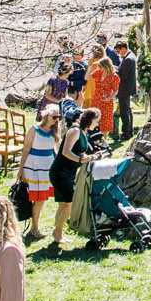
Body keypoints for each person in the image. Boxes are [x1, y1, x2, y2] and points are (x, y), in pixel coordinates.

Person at [49, 108, 91, 246]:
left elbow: (77, 151)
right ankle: (58, 233)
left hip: (68, 172)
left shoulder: (82, 132)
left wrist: (86, 157)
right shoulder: (74, 130)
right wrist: (80, 160)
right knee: (68, 203)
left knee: (64, 204)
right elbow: (66, 152)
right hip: (61, 172)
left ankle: (57, 232)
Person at [20, 105, 59, 243]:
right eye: (54, 116)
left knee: (41, 199)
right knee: (38, 198)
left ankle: (34, 227)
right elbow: (26, 149)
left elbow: (54, 150)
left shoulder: (54, 132)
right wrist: (21, 169)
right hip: (34, 167)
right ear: (46, 116)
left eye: (57, 117)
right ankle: (34, 228)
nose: (56, 120)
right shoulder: (34, 129)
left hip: (47, 168)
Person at [85, 49, 120, 136]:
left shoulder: (114, 76)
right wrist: (90, 67)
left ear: (106, 66)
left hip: (106, 102)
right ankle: (94, 139)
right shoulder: (98, 72)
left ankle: (104, 140)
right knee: (93, 119)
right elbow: (86, 78)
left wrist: (109, 98)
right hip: (96, 99)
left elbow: (116, 90)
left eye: (100, 66)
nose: (99, 68)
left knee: (105, 123)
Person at [116, 40, 140, 139]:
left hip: (124, 89)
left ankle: (126, 133)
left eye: (119, 50)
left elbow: (123, 75)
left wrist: (115, 71)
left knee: (124, 111)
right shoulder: (131, 56)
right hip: (127, 88)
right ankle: (129, 130)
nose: (118, 52)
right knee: (127, 110)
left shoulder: (128, 59)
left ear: (124, 48)